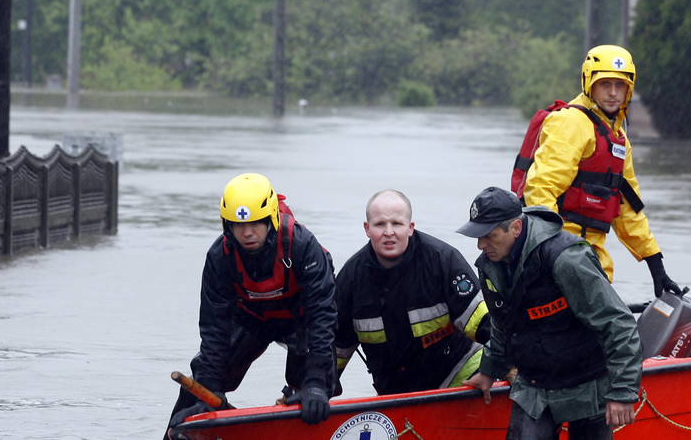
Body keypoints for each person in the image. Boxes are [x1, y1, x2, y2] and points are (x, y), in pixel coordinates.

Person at [458, 187, 643, 440]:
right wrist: (490, 369)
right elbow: (503, 323)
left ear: (515, 228)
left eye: (489, 236)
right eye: (478, 237)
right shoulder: (490, 263)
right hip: (534, 384)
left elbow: (617, 323)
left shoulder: (566, 258)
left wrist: (622, 391)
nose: (481, 245)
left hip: (588, 381)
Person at [166, 173, 336, 439]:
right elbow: (214, 329)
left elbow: (323, 318)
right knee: (199, 384)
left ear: (271, 219)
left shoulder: (303, 246)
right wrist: (209, 388)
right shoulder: (219, 257)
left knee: (314, 389)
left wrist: (316, 382)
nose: (247, 233)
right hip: (251, 317)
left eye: (256, 223)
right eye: (237, 225)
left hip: (301, 319)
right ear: (226, 225)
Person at [521, 44, 680, 297]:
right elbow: (541, 188)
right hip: (558, 256)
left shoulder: (618, 139)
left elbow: (629, 209)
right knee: (612, 327)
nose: (613, 93)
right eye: (605, 84)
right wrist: (552, 249)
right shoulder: (571, 123)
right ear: (589, 83)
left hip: (593, 259)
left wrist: (655, 265)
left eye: (620, 85)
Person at [333, 189, 490, 395]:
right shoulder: (350, 279)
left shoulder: (443, 261)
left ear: (410, 227)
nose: (389, 232)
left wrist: (495, 369)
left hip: (460, 378)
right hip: (397, 394)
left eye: (397, 223)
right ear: (367, 228)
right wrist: (310, 389)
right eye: (380, 224)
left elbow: (487, 327)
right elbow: (333, 352)